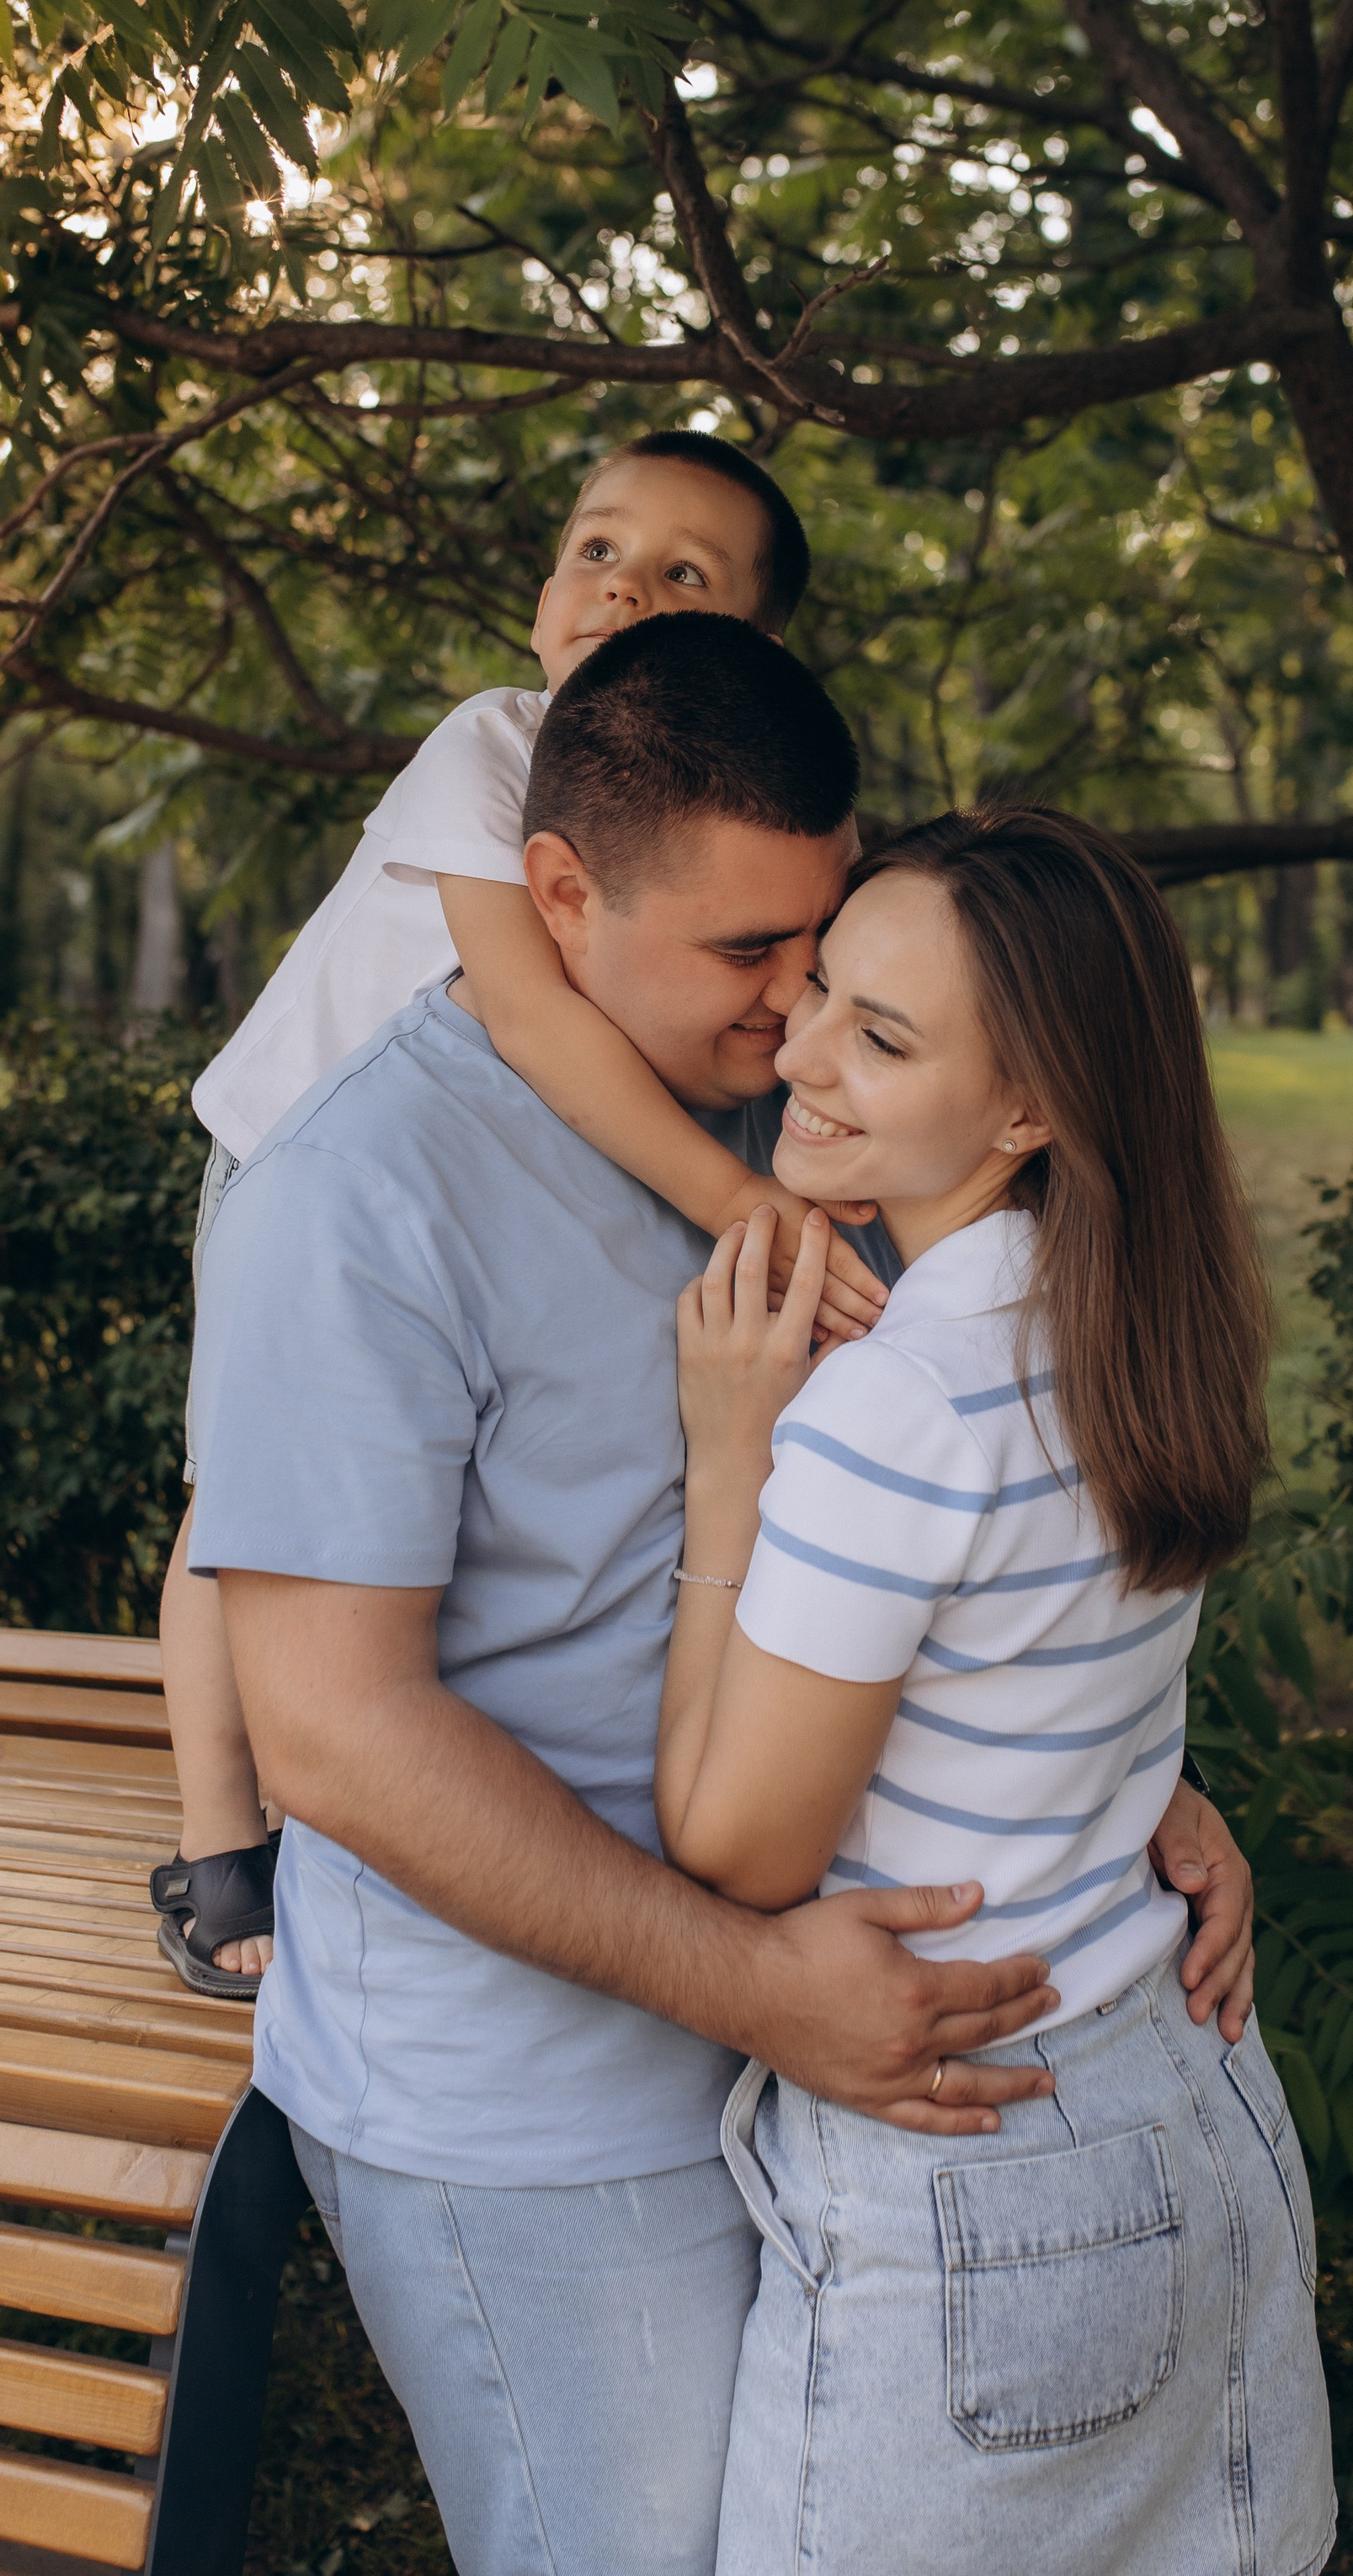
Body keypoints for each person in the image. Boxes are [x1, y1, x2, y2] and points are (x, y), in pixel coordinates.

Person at [191, 617, 1261, 2576]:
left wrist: (1099, 1785)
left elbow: (969, 1515)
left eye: (822, 943)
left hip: (823, 2067)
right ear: (557, 897)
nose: (793, 1017)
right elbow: (332, 1737)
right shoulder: (349, 1203)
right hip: (542, 2111)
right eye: (746, 960)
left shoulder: (810, 1104)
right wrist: (755, 1986)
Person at [657, 804, 1335, 2576]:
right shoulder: (1132, 1324)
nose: (797, 1054)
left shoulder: (898, 1407)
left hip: (981, 2151)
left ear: (1027, 1105)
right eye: (815, 997)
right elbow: (1064, 1697)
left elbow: (736, 1851)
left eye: (879, 1039)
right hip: (1186, 2093)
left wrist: (729, 1466)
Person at [152, 433, 885, 1995]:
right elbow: (542, 1025)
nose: (619, 588)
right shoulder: (489, 748)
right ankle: (220, 1847)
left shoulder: (715, 846)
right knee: (243, 1511)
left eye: (681, 575)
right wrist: (750, 1207)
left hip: (453, 1173)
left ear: (741, 654)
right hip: (295, 1152)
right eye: (596, 549)